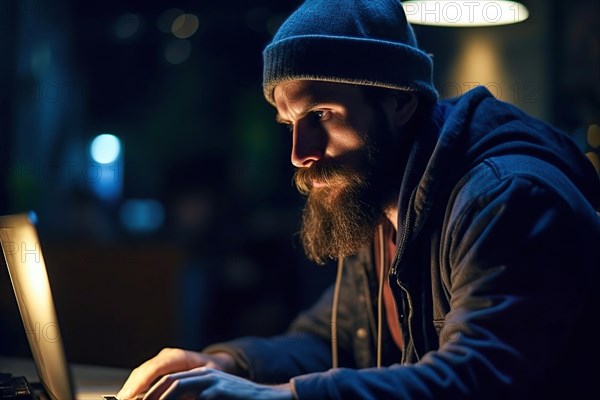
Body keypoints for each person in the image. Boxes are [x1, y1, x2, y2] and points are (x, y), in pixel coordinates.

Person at [117, 0, 600, 399]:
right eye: (290, 125)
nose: (299, 155)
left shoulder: (508, 200)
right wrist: (220, 362)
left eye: (321, 115)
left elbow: (477, 380)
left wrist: (275, 397)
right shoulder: (382, 200)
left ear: (400, 101)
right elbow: (329, 340)